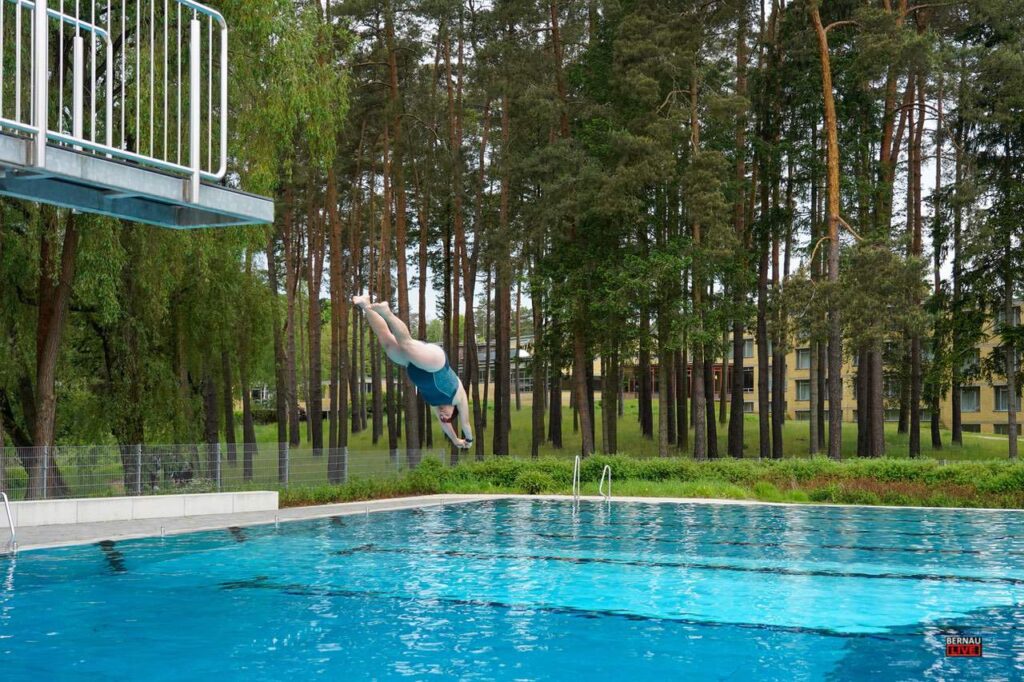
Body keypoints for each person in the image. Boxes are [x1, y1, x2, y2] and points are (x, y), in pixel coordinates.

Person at [353, 295, 473, 449]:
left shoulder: (436, 406)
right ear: (454, 410)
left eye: (442, 418)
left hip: (412, 365)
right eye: (448, 416)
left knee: (387, 341)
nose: (443, 415)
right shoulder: (459, 399)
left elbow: (446, 427)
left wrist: (456, 441)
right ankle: (386, 311)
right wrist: (468, 441)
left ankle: (365, 305)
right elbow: (466, 424)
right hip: (436, 363)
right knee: (406, 344)